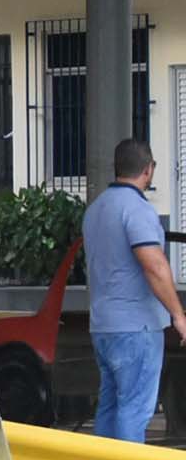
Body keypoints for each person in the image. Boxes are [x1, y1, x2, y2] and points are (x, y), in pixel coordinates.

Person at [82, 138, 186, 443]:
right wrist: (178, 315)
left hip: (103, 327)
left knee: (110, 407)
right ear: (149, 169)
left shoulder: (96, 209)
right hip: (136, 329)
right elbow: (154, 266)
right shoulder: (138, 210)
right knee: (134, 411)